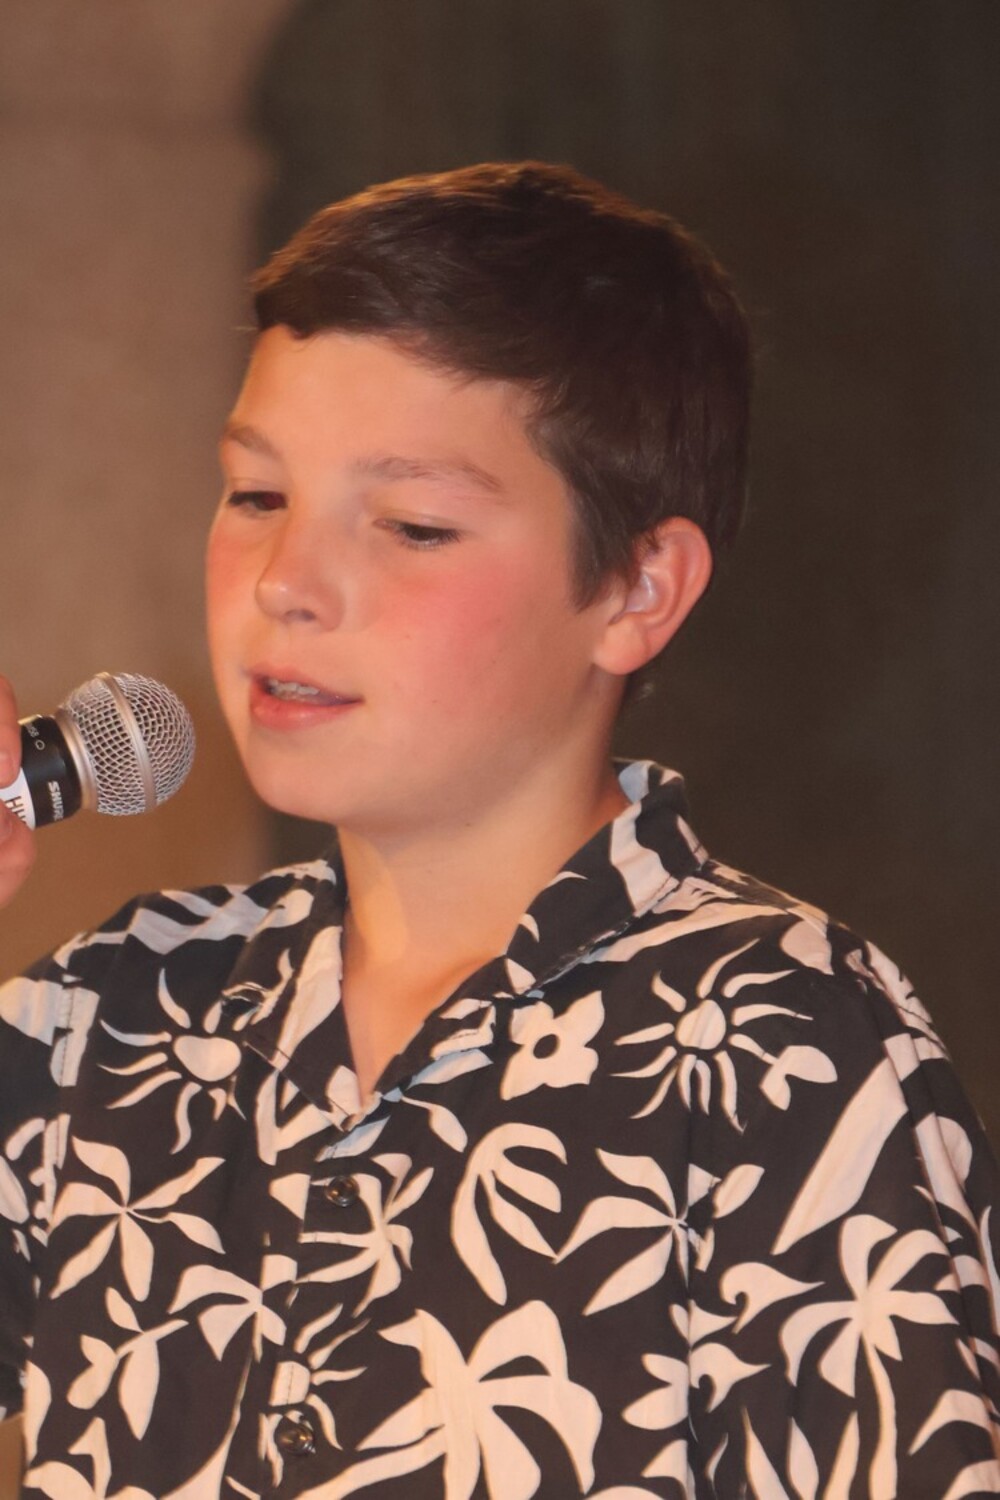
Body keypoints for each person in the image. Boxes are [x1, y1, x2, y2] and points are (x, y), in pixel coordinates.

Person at [0, 161, 997, 1500]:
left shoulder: (782, 1038)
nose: (287, 583)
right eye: (255, 496)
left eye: (413, 526)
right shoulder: (115, 1014)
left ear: (637, 588)